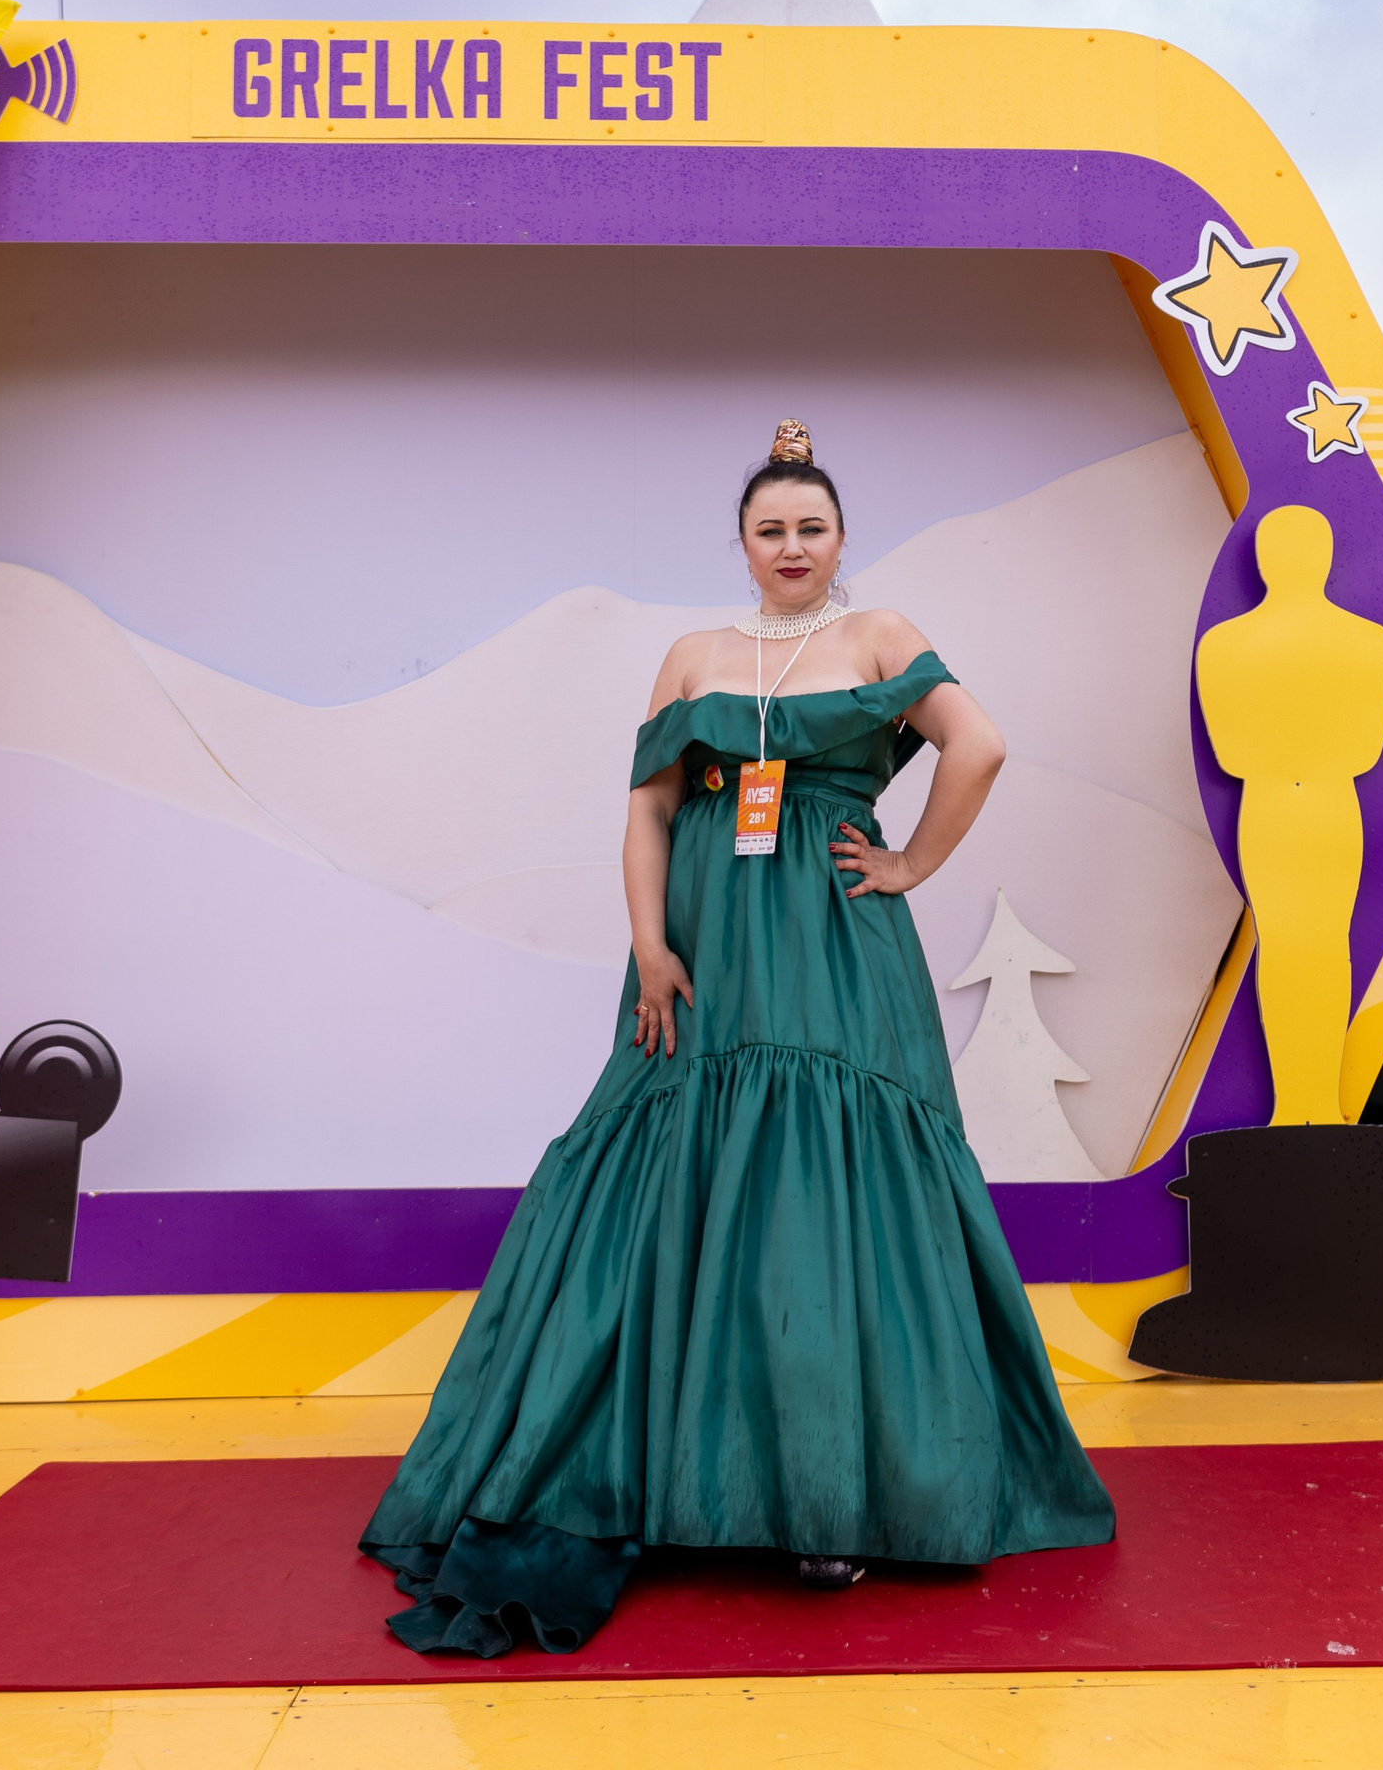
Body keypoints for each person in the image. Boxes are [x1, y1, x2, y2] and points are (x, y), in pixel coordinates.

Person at [362, 420, 1115, 1655]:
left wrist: (911, 864)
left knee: (823, 1189)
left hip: (830, 938)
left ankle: (836, 1497)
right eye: (771, 529)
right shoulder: (694, 656)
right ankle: (682, 1475)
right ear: (744, 543)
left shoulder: (882, 635)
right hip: (704, 945)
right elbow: (649, 811)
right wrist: (650, 943)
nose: (792, 546)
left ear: (841, 537)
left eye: (812, 527)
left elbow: (979, 745)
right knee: (688, 1173)